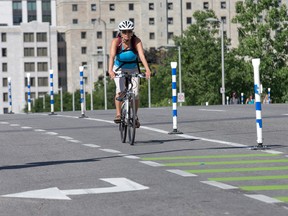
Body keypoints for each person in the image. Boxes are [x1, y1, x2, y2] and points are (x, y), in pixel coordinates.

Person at [108, 20, 151, 128]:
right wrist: (110, 71)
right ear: (120, 32)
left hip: (133, 68)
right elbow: (112, 57)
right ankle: (118, 114)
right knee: (120, 91)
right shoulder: (116, 42)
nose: (127, 34)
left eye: (129, 31)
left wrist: (147, 70)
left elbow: (141, 55)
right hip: (119, 68)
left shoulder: (136, 41)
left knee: (135, 94)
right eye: (124, 32)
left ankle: (135, 117)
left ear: (132, 32)